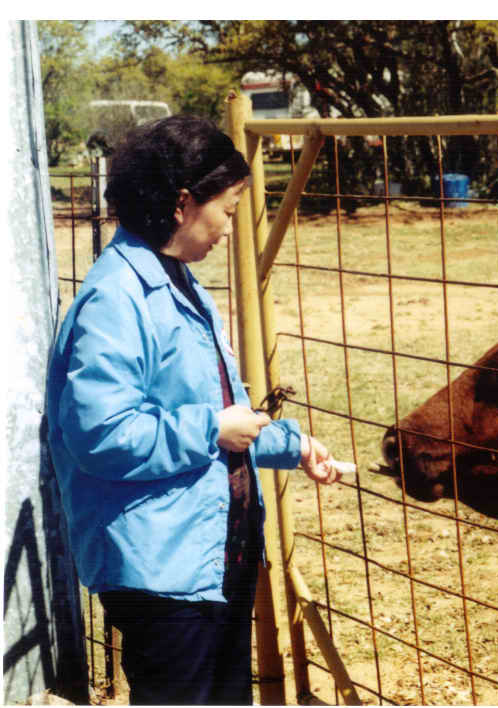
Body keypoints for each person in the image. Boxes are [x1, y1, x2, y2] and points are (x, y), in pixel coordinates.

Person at [45, 114, 341, 705]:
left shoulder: (176, 281)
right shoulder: (116, 299)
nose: (229, 228)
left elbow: (216, 412)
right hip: (161, 570)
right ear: (183, 203)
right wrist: (211, 428)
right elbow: (100, 432)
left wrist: (289, 444)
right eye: (227, 210)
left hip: (204, 557)